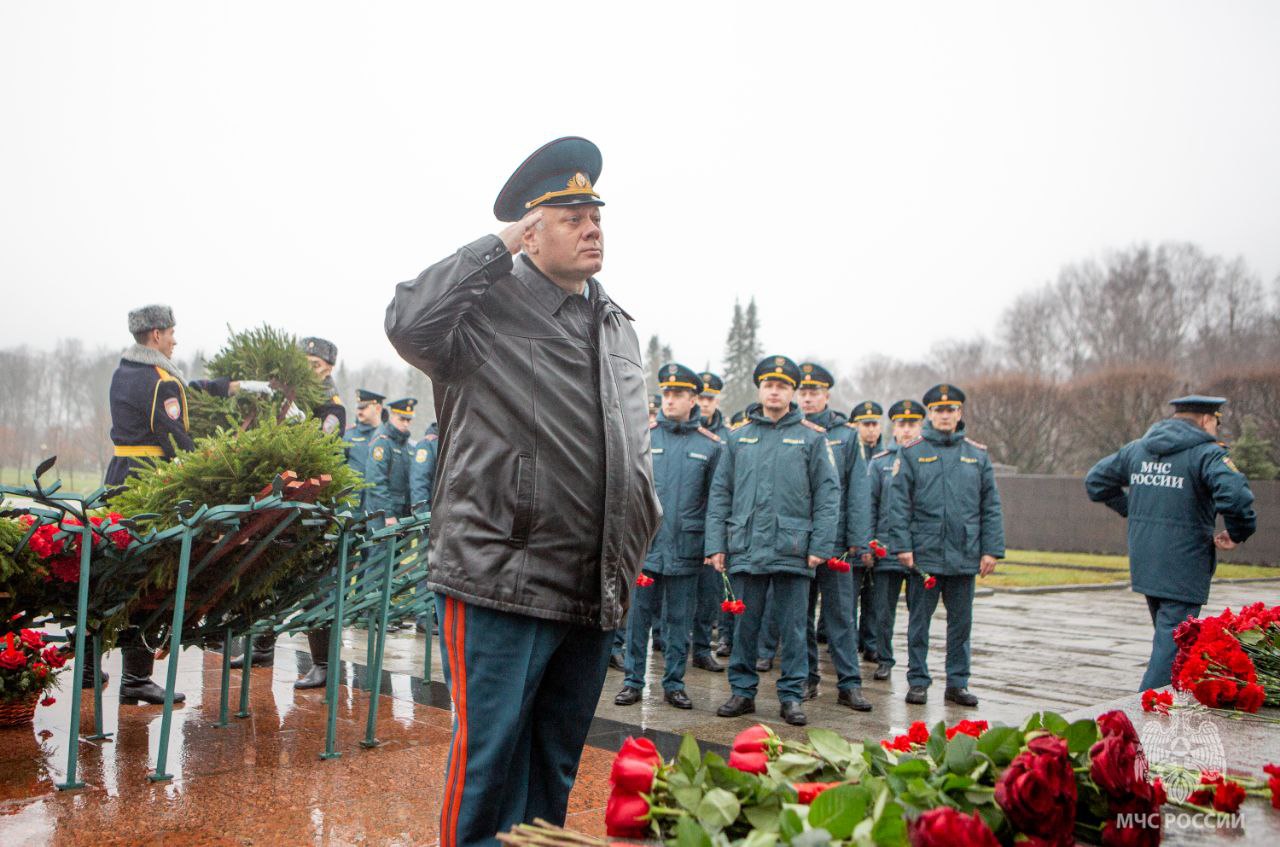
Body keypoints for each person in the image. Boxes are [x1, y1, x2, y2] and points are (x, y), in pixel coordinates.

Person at [383, 136, 659, 847]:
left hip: (590, 586)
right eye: (571, 215)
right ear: (531, 231)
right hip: (501, 580)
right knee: (488, 767)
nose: (593, 225)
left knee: (551, 770)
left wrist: (635, 538)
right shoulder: (486, 309)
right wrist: (497, 245)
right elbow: (408, 321)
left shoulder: (618, 325)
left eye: (595, 212)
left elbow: (630, 449)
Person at [106, 304, 271, 703]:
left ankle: (92, 673)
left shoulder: (124, 372)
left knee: (112, 570)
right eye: (172, 333)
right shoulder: (163, 381)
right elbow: (175, 437)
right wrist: (209, 471)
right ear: (157, 335)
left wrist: (232, 386)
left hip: (119, 474)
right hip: (151, 481)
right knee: (152, 577)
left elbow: (189, 387)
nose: (176, 340)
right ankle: (135, 679)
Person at [1085, 395, 1257, 691]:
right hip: (1185, 562)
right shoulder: (1207, 454)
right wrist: (1237, 532)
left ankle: (1177, 695)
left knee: (1170, 638)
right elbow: (1236, 496)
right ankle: (1145, 708)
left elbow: (1096, 482)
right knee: (1173, 643)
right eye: (1216, 421)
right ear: (1206, 419)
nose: (1216, 428)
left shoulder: (1137, 449)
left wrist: (1134, 510)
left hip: (1146, 559)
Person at [706, 355, 840, 727]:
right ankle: (742, 691)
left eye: (782, 385)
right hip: (746, 546)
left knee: (795, 628)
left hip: (793, 550)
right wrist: (716, 544)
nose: (775, 391)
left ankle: (792, 695)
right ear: (760, 389)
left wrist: (820, 547)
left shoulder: (812, 438)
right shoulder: (739, 437)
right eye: (769, 385)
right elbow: (721, 493)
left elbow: (828, 496)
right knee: (744, 626)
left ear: (792, 392)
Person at [885, 384, 1004, 707]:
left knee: (961, 625)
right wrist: (903, 546)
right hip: (924, 555)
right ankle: (918, 681)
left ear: (959, 413)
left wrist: (991, 550)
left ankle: (957, 682)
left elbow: (990, 505)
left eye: (950, 409)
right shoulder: (911, 452)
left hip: (964, 554)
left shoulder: (976, 455)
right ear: (930, 414)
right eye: (938, 410)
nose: (945, 415)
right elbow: (899, 506)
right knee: (919, 624)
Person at [615, 364, 722, 709]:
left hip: (687, 547)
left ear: (694, 399)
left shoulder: (710, 446)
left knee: (679, 623)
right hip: (646, 546)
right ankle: (633, 680)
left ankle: (674, 683)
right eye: (667, 393)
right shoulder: (644, 436)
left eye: (679, 394)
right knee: (637, 620)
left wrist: (712, 545)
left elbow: (715, 501)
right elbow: (628, 490)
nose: (671, 399)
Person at [791, 363, 871, 710]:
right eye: (804, 392)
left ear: (827, 395)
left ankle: (849, 684)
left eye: (815, 392)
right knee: (800, 617)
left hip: (837, 544)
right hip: (799, 542)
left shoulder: (846, 435)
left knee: (840, 617)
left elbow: (857, 490)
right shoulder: (791, 430)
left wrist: (858, 539)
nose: (808, 398)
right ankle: (807, 678)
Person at [863, 400, 925, 682]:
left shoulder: (929, 459)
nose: (907, 429)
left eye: (913, 424)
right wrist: (869, 543)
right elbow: (870, 506)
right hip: (886, 549)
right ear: (894, 427)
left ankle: (917, 666)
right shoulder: (881, 463)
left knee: (919, 615)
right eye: (902, 424)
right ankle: (884, 658)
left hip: (922, 551)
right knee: (883, 611)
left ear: (921, 426)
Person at [691, 371, 729, 668]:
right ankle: (670, 642)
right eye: (701, 397)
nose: (705, 403)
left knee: (708, 593)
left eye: (710, 398)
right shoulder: (686, 430)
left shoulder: (728, 436)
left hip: (711, 526)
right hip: (683, 523)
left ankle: (702, 649)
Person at [847, 400, 884, 662]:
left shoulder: (888, 458)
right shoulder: (853, 455)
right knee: (847, 601)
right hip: (855, 542)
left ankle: (871, 643)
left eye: (874, 424)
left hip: (881, 541)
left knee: (874, 599)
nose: (870, 430)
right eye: (865, 424)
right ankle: (848, 644)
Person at [410, 420, 440, 634]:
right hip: (430, 520)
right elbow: (419, 484)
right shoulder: (428, 445)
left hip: (444, 521)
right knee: (424, 566)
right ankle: (423, 615)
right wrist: (424, 518)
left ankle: (434, 615)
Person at [365, 398, 416, 523]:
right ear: (392, 416)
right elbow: (376, 482)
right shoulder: (382, 442)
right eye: (402, 419)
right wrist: (387, 514)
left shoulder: (407, 445)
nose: (406, 424)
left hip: (402, 512)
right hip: (382, 514)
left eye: (408, 420)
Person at [301, 336, 346, 436]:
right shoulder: (294, 395)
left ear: (328, 369)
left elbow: (324, 443)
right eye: (304, 364)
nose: (308, 370)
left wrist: (300, 422)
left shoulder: (334, 407)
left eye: (315, 366)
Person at [343, 389, 385, 485]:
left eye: (363, 407)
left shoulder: (387, 437)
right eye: (358, 407)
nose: (359, 411)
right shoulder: (349, 435)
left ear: (378, 408)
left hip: (377, 497)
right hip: (353, 497)